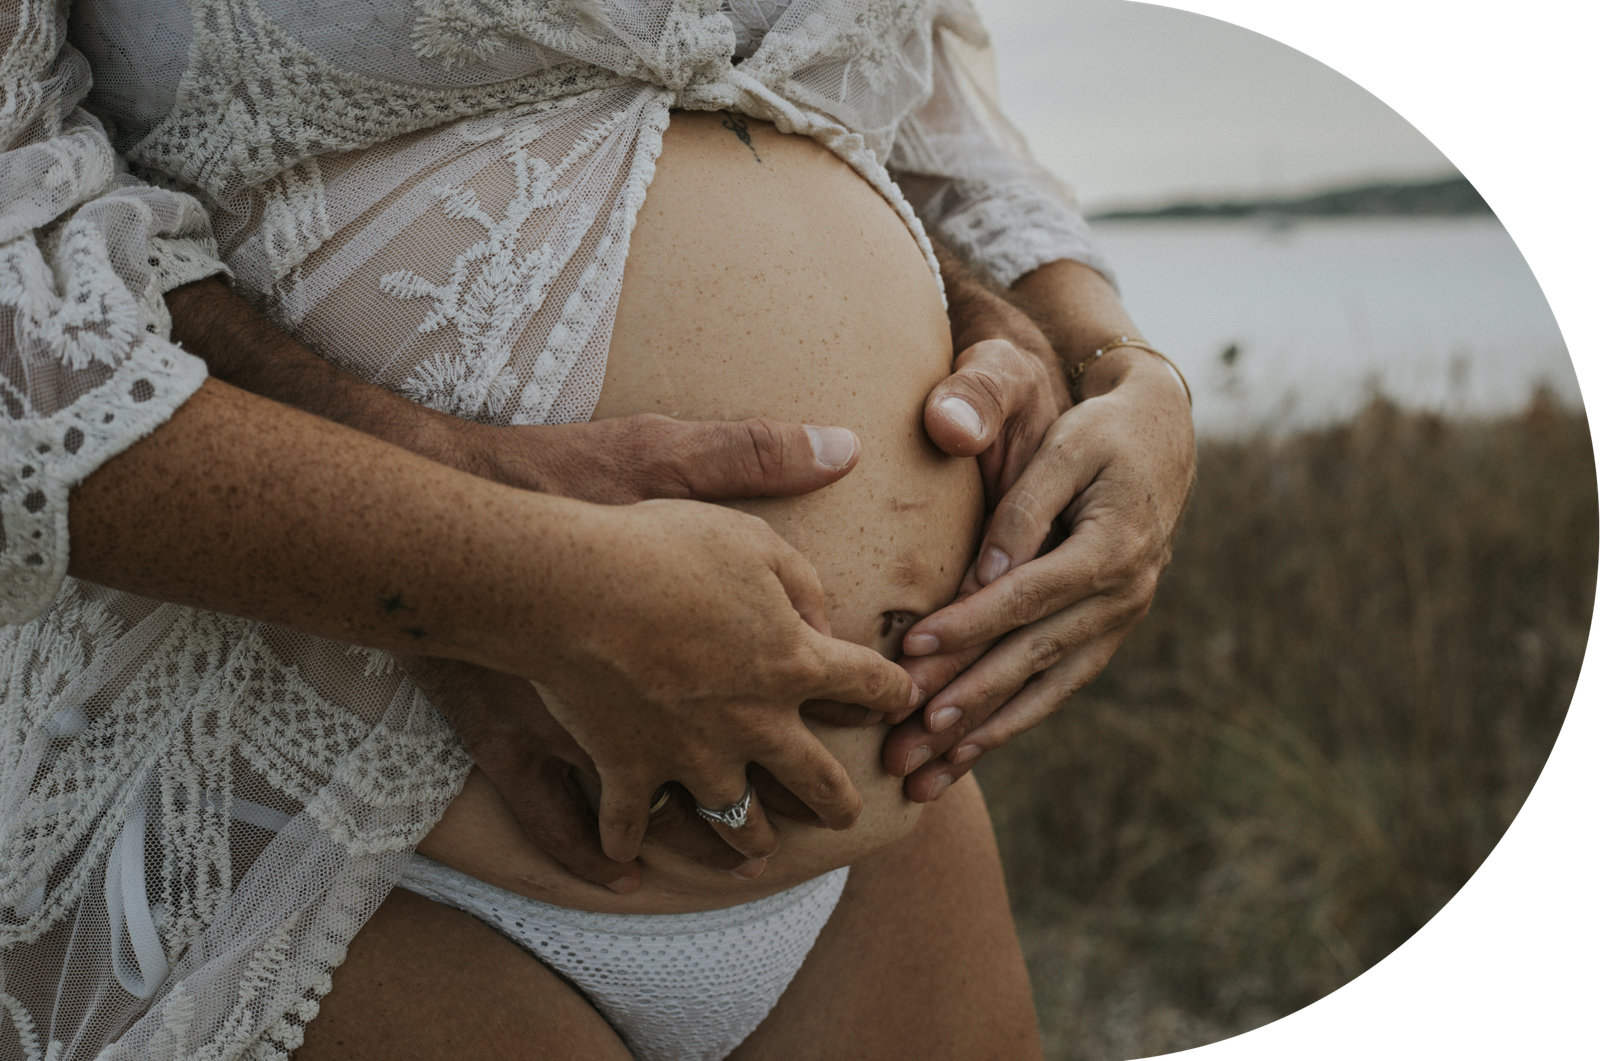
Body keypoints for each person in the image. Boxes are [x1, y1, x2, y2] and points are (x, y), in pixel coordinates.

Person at [1, 2, 1196, 1058]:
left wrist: (1105, 358)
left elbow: (922, 111)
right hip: (326, 821)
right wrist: (514, 574)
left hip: (881, 841)